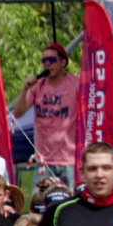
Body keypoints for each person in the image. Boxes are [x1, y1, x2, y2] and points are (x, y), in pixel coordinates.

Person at [15, 43, 84, 188]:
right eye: (44, 61)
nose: (47, 64)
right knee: (40, 203)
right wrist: (24, 89)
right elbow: (18, 113)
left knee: (70, 202)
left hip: (69, 159)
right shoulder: (38, 85)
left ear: (62, 62)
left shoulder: (76, 84)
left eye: (51, 60)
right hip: (43, 160)